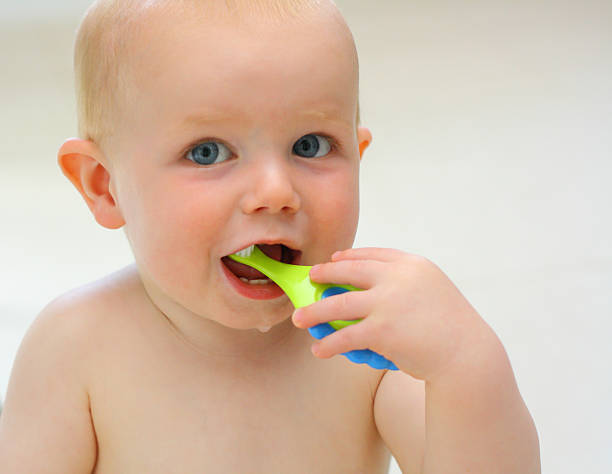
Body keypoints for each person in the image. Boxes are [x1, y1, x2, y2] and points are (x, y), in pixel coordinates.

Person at [0, 0, 540, 472]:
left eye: (310, 145)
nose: (275, 190)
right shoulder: (76, 349)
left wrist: (465, 365)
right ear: (105, 186)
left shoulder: (366, 344)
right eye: (207, 151)